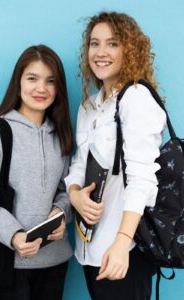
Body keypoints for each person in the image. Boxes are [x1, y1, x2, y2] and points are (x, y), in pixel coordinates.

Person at [65, 12, 166, 300]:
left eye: (112, 44)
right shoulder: (89, 106)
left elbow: (143, 179)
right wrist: (74, 196)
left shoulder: (136, 98)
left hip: (123, 251)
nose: (100, 52)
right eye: (94, 44)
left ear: (129, 50)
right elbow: (78, 165)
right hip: (88, 250)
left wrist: (122, 243)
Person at [0, 44, 73, 300]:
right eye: (32, 78)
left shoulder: (60, 135)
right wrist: (15, 235)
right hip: (6, 266)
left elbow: (66, 190)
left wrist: (62, 214)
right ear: (18, 82)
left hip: (54, 263)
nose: (41, 88)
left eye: (50, 81)